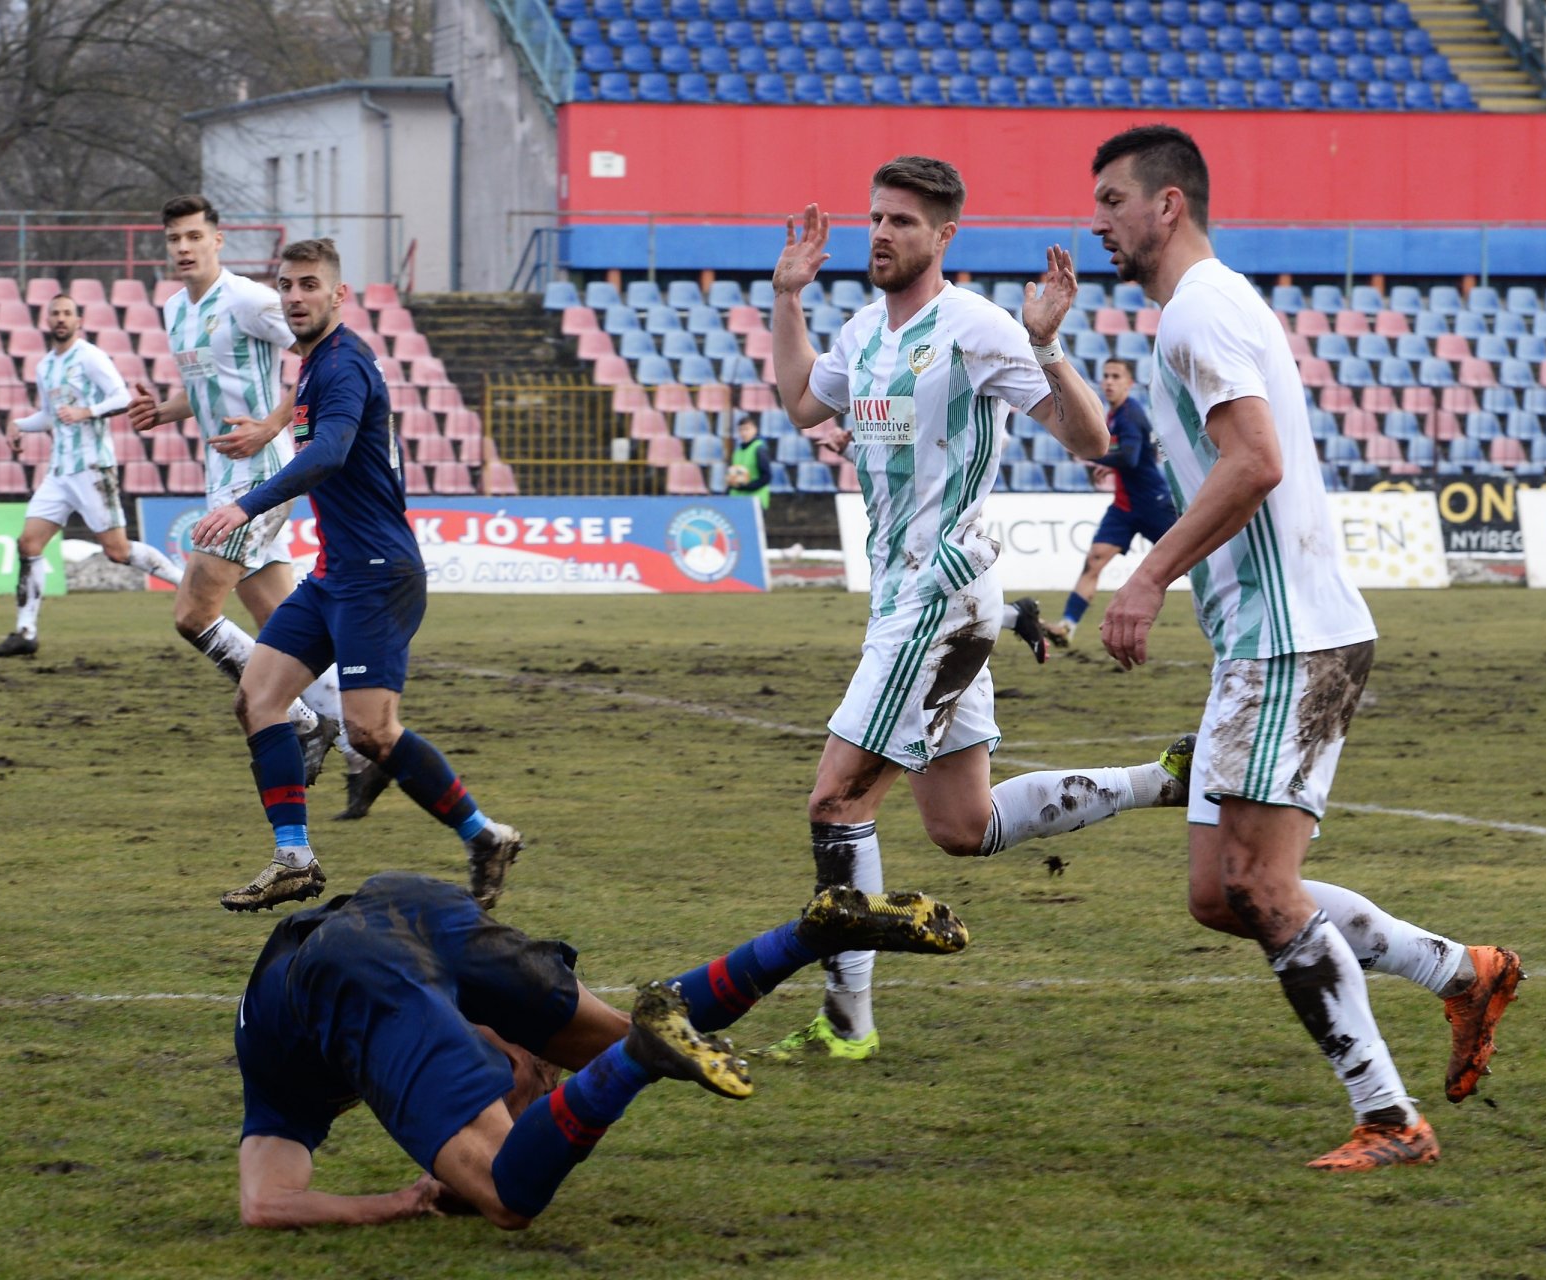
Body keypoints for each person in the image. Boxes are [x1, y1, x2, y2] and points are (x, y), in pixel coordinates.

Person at [1088, 124, 1521, 1171]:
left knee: (1262, 888)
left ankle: (1390, 1118)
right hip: (1266, 636)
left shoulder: (1199, 313)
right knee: (1220, 889)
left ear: (1168, 205)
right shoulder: (1205, 307)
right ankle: (1463, 970)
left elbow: (1256, 462)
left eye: (1110, 201)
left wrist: (1147, 575)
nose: (1095, 221)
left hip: (1294, 640)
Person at [763, 155, 1195, 1064]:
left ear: (945, 236)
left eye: (904, 223)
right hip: (911, 598)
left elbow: (1091, 438)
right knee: (966, 828)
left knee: (836, 800)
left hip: (939, 594)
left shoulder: (974, 326)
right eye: (877, 217)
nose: (883, 233)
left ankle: (847, 1025)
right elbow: (801, 400)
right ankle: (1164, 780)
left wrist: (1046, 344)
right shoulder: (864, 333)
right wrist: (789, 298)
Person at [232, 870, 968, 1229]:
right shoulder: (290, 1061)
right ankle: (805, 938)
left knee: (505, 1195)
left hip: (350, 964)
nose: (534, 1083)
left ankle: (641, 1058)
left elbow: (264, 1203)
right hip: (405, 899)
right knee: (609, 1034)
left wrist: (404, 1199)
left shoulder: (281, 1082)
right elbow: (263, 1204)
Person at [191, 238, 523, 913]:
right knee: (258, 698)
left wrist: (245, 503)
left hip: (378, 574)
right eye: (285, 285)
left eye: (309, 284)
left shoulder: (342, 366)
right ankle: (293, 858)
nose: (294, 296)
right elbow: (311, 418)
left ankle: (485, 835)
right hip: (335, 571)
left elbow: (334, 452)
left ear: (338, 295)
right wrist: (267, 429)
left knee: (373, 732)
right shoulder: (316, 366)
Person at [127, 194, 376, 804]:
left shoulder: (248, 299)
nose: (182, 248)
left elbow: (321, 358)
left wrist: (271, 424)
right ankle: (363, 746)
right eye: (173, 239)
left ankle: (298, 718)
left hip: (259, 476)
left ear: (218, 240)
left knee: (192, 612)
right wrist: (165, 409)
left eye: (193, 236)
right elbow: (204, 385)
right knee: (285, 628)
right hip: (221, 476)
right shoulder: (174, 310)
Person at [0, 294, 184, 657]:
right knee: (28, 544)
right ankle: (25, 632)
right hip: (59, 471)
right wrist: (19, 425)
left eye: (67, 313)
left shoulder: (90, 357)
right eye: (55, 313)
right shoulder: (45, 366)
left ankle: (185, 583)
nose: (60, 319)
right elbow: (50, 415)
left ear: (79, 320)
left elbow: (121, 397)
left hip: (92, 467)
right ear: (48, 320)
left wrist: (86, 411)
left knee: (118, 551)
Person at [1039, 357, 1178, 648]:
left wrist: (1094, 456)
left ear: (1129, 383)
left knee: (1193, 561)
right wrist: (1108, 462)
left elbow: (1128, 457)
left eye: (1116, 376)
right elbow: (1127, 456)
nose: (1109, 381)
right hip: (1124, 507)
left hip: (1153, 503)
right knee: (1094, 561)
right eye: (1106, 375)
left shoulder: (1131, 415)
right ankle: (1067, 626)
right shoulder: (1114, 415)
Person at [725, 413, 774, 508]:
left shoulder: (759, 449)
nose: (744, 433)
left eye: (747, 429)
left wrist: (746, 486)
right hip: (737, 499)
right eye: (741, 430)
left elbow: (766, 477)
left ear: (755, 430)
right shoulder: (737, 451)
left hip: (755, 500)